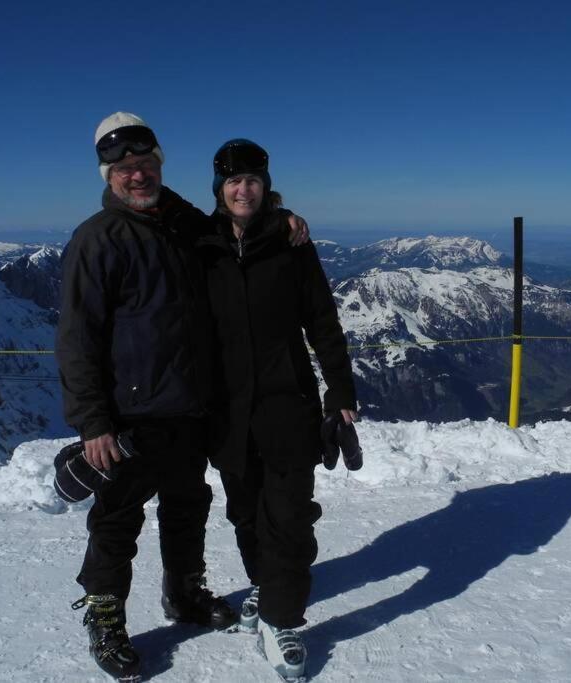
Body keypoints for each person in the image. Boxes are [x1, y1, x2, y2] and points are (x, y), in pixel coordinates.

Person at [56, 114, 308, 682]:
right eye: (124, 169)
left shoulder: (185, 222)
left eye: (145, 165)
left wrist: (284, 216)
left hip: (191, 404)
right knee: (117, 518)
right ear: (109, 175)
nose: (137, 176)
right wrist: (93, 421)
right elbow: (77, 338)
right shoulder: (98, 239)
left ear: (160, 164)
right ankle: (105, 615)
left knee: (186, 504)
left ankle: (184, 592)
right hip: (127, 414)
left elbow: (238, 225)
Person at [196, 139, 359, 681]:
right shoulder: (202, 243)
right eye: (233, 181)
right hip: (227, 411)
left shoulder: (290, 244)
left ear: (267, 187)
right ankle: (265, 584)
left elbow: (322, 319)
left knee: (288, 517)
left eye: (254, 180)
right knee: (245, 513)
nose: (244, 189)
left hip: (287, 405)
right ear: (219, 189)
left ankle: (281, 619)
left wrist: (340, 391)